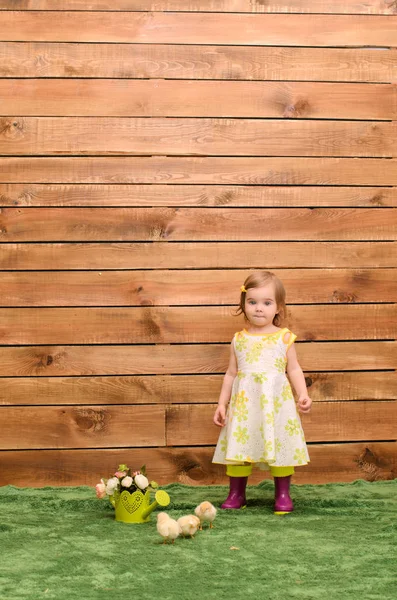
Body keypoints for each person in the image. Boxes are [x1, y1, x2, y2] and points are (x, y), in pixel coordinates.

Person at [212, 270, 312, 514]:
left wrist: (302, 394)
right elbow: (231, 374)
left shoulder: (284, 337)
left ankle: (283, 494)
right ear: (244, 304)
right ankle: (236, 493)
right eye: (252, 302)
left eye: (267, 303)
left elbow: (295, 369)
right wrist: (222, 404)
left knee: (279, 444)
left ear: (278, 307)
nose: (259, 308)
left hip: (275, 405)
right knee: (240, 443)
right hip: (245, 406)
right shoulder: (239, 339)